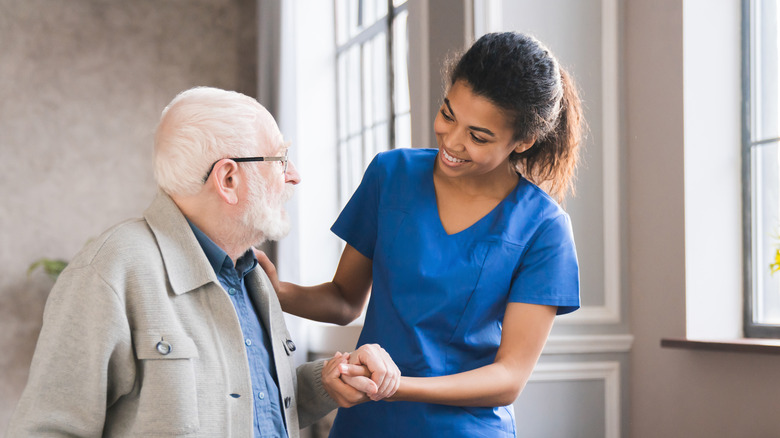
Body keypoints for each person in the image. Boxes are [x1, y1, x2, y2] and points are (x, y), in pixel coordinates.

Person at [6, 87, 399, 438]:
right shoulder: (109, 272)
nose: (293, 176)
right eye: (280, 159)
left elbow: (253, 405)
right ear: (229, 179)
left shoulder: (252, 274)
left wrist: (327, 382)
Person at [257, 32, 584, 437]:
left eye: (479, 136)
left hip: (463, 429)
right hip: (366, 422)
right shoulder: (390, 175)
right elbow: (344, 300)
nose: (452, 141)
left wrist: (394, 387)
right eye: (448, 114)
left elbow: (509, 377)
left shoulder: (544, 227)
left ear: (523, 142)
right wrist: (276, 291)